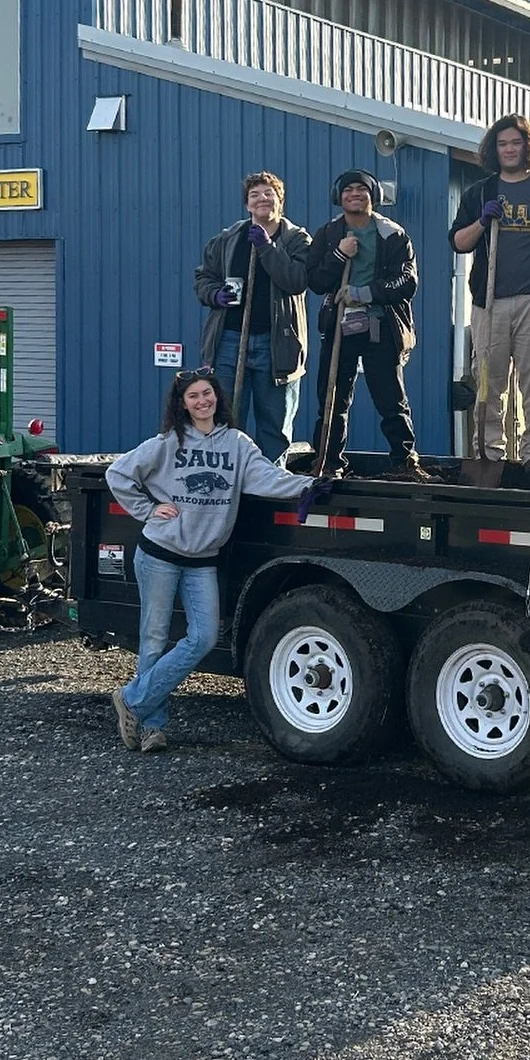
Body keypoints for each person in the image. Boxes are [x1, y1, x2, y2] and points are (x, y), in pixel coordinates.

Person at [106, 367, 328, 753]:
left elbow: (266, 478)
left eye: (207, 393)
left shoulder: (238, 445)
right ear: (182, 404)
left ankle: (133, 700)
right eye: (193, 396)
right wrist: (147, 509)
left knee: (205, 636)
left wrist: (308, 485)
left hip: (202, 558)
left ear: (217, 397)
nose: (202, 401)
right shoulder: (168, 443)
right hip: (159, 554)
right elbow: (119, 473)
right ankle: (152, 727)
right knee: (154, 640)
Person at [449, 114, 530, 464]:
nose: (509, 149)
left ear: (528, 147)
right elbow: (459, 243)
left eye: (516, 142)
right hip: (489, 302)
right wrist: (482, 221)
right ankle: (489, 455)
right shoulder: (480, 193)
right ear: (494, 150)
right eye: (502, 143)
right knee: (488, 385)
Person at [306, 169, 420, 475]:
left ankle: (405, 461)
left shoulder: (392, 234)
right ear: (338, 196)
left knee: (390, 397)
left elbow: (407, 282)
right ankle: (328, 462)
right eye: (348, 190)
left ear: (374, 196)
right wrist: (340, 256)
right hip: (338, 326)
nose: (355, 194)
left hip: (379, 325)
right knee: (332, 397)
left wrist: (367, 292)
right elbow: (315, 280)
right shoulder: (328, 234)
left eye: (362, 189)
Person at [194, 172, 312, 463]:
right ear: (247, 204)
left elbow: (296, 280)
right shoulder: (228, 239)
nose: (262, 199)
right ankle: (225, 480)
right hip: (230, 342)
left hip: (277, 345)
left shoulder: (297, 239)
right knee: (225, 418)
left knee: (274, 424)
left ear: (279, 201)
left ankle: (270, 484)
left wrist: (266, 247)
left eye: (268, 193)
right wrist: (214, 294)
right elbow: (203, 277)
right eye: (255, 195)